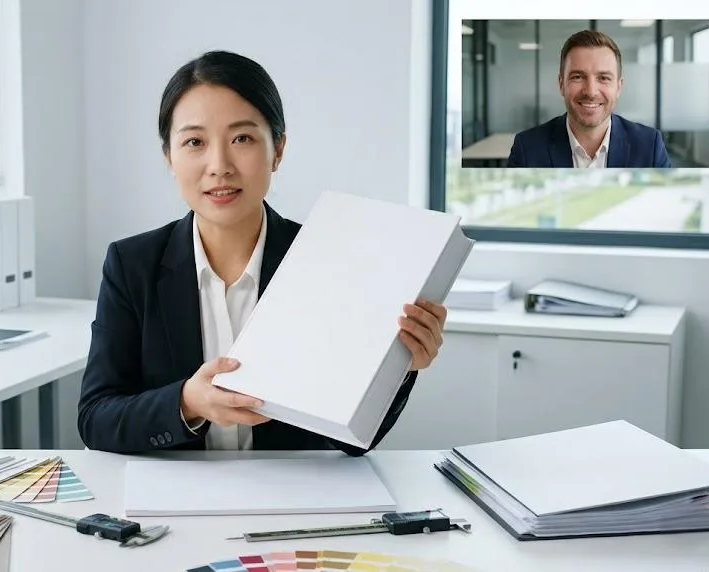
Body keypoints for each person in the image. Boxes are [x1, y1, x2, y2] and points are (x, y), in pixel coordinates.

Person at [77, 50, 448, 457]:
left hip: (293, 504)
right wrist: (188, 402)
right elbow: (96, 419)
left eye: (242, 138)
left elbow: (351, 442)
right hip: (174, 505)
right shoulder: (132, 265)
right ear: (169, 156)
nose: (219, 165)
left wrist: (398, 368)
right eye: (194, 142)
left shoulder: (328, 261)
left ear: (278, 150)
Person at [506, 29, 672, 168]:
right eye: (578, 77)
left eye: (604, 78)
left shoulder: (650, 146)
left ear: (619, 87)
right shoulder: (527, 148)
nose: (591, 92)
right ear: (561, 84)